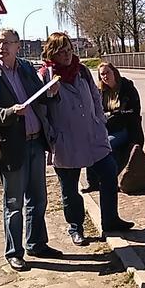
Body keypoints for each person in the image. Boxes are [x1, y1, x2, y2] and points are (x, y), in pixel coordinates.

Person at [0, 28, 63, 272]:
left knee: (38, 198)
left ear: (17, 46)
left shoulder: (25, 68)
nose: (1, 47)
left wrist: (51, 93)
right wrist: (11, 112)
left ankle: (37, 243)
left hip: (36, 142)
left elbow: (39, 98)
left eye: (7, 43)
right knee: (14, 203)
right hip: (11, 147)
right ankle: (14, 252)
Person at [39, 33, 134, 243]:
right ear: (52, 53)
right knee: (70, 188)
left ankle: (110, 220)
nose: (67, 55)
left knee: (109, 173)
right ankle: (76, 228)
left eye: (69, 50)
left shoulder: (81, 70)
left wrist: (99, 122)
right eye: (61, 52)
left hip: (93, 136)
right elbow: (42, 111)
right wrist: (52, 137)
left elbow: (95, 97)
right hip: (65, 141)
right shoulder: (46, 75)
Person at [81, 61, 145, 193]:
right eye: (102, 74)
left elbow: (132, 112)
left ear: (114, 72)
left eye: (107, 73)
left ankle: (110, 181)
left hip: (126, 128)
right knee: (91, 145)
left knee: (107, 145)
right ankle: (93, 182)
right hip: (107, 128)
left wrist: (113, 115)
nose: (105, 76)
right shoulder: (101, 92)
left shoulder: (127, 88)